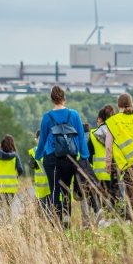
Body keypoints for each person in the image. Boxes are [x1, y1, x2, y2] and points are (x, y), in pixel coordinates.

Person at [34, 85, 85, 223]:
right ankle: (67, 217)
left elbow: (43, 140)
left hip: (51, 158)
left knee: (55, 189)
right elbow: (81, 137)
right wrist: (84, 156)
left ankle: (56, 219)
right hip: (70, 157)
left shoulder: (47, 117)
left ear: (52, 100)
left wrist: (37, 156)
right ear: (64, 98)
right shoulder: (74, 115)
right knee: (66, 188)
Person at [106, 93, 133, 217]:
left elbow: (108, 145)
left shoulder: (113, 121)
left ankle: (126, 217)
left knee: (120, 189)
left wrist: (108, 163)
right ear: (131, 104)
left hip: (119, 161)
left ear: (118, 106)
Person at [0, 134, 23, 218]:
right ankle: (8, 226)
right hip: (11, 187)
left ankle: (2, 227)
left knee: (1, 209)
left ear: (1, 145)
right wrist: (15, 176)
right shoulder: (15, 156)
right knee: (9, 207)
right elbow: (20, 169)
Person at [90, 104, 119, 210]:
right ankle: (112, 219)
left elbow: (88, 155)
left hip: (98, 174)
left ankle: (102, 220)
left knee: (98, 203)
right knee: (112, 201)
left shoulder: (93, 134)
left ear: (100, 119)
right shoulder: (117, 132)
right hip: (113, 171)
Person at [30, 130, 51, 209]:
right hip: (53, 186)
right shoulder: (54, 148)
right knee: (54, 211)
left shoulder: (35, 151)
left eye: (36, 139)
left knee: (44, 212)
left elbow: (31, 165)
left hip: (42, 188)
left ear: (39, 138)